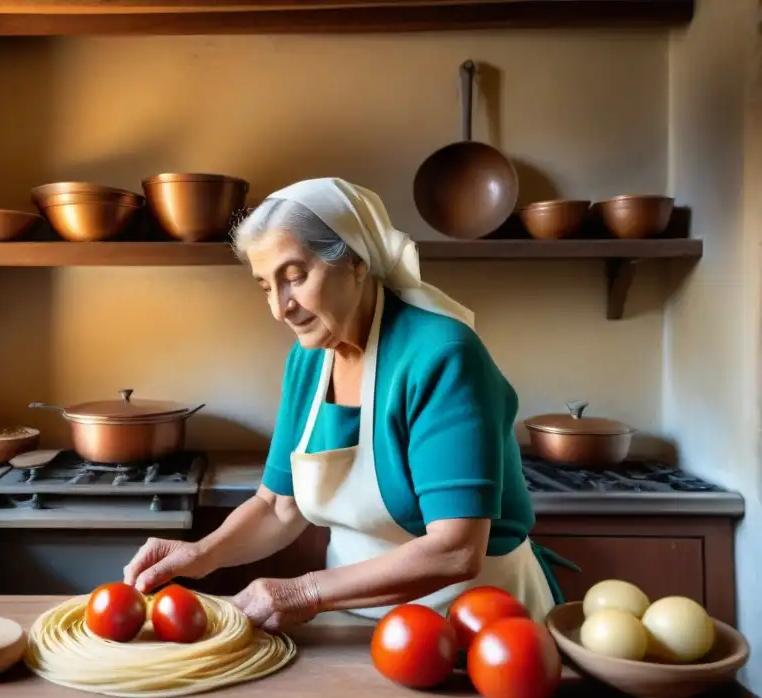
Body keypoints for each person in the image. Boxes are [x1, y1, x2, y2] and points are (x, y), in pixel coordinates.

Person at [123, 177, 573, 632]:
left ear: (357, 262)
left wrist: (302, 592)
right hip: (354, 620)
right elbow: (279, 506)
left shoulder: (442, 356)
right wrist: (202, 554)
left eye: (295, 277)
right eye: (265, 286)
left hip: (473, 626)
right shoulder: (308, 360)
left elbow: (456, 550)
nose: (281, 308)